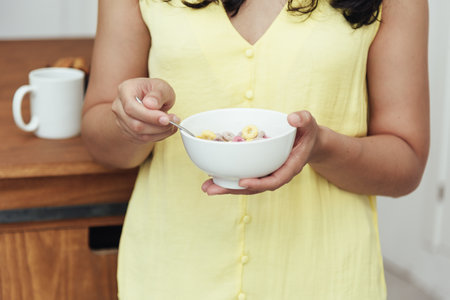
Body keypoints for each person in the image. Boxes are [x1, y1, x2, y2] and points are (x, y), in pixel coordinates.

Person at [81, 0, 429, 299]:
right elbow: (101, 141)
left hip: (323, 275)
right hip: (173, 270)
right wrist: (132, 123)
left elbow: (405, 165)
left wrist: (321, 146)